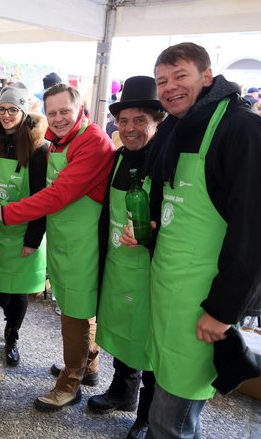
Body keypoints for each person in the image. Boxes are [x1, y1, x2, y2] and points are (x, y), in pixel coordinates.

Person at [139, 42, 261, 438]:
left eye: (181, 76)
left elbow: (256, 231)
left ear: (207, 76)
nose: (170, 87)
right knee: (167, 402)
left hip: (205, 301)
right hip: (170, 294)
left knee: (171, 418)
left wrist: (223, 309)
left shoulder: (242, 130)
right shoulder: (177, 129)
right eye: (163, 80)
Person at [0, 83, 114, 409]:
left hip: (85, 243)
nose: (58, 118)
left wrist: (5, 212)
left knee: (76, 313)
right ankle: (86, 363)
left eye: (65, 111)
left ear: (79, 108)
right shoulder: (58, 141)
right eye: (52, 113)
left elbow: (56, 195)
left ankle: (69, 385)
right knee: (74, 308)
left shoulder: (92, 142)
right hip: (65, 240)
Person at [90, 76, 166, 439]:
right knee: (121, 329)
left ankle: (148, 413)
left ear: (157, 121)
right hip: (118, 263)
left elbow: (176, 220)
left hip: (152, 268)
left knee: (148, 339)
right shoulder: (117, 158)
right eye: (123, 121)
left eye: (140, 121)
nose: (130, 129)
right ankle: (123, 392)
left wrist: (151, 234)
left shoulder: (166, 163)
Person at [0, 82, 48, 366]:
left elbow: (43, 197)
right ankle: (9, 322)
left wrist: (33, 239)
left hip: (23, 230)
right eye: (2, 109)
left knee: (17, 291)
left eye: (13, 110)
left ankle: (12, 334)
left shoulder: (38, 148)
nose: (6, 115)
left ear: (23, 112)